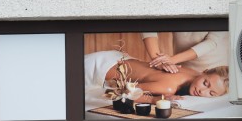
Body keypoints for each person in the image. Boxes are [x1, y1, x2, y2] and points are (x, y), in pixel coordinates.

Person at [85, 50, 229, 101]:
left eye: (211, 93)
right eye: (205, 83)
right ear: (205, 71)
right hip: (97, 69)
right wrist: (154, 100)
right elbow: (124, 91)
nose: (202, 92)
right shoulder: (169, 88)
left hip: (119, 58)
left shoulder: (193, 72)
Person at [142, 31, 230, 73]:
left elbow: (211, 43)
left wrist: (171, 60)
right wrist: (157, 60)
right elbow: (148, 25)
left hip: (215, 73)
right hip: (183, 70)